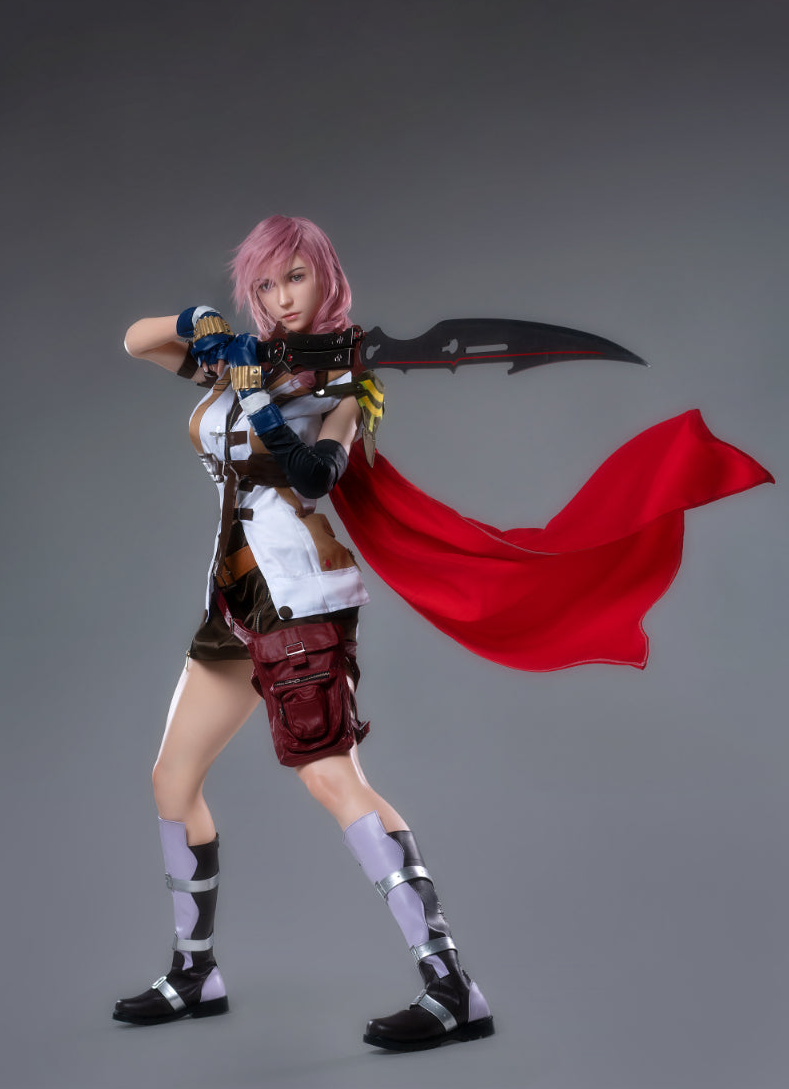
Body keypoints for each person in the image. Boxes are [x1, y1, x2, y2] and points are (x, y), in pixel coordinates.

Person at [113, 214, 495, 1052]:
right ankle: (196, 972)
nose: (283, 297)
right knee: (172, 780)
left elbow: (316, 475)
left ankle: (451, 984)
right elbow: (136, 341)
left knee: (330, 777)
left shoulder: (344, 382)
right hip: (234, 598)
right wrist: (200, 326)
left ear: (325, 277)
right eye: (265, 282)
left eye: (296, 276)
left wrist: (260, 400)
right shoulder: (241, 358)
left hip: (301, 600)